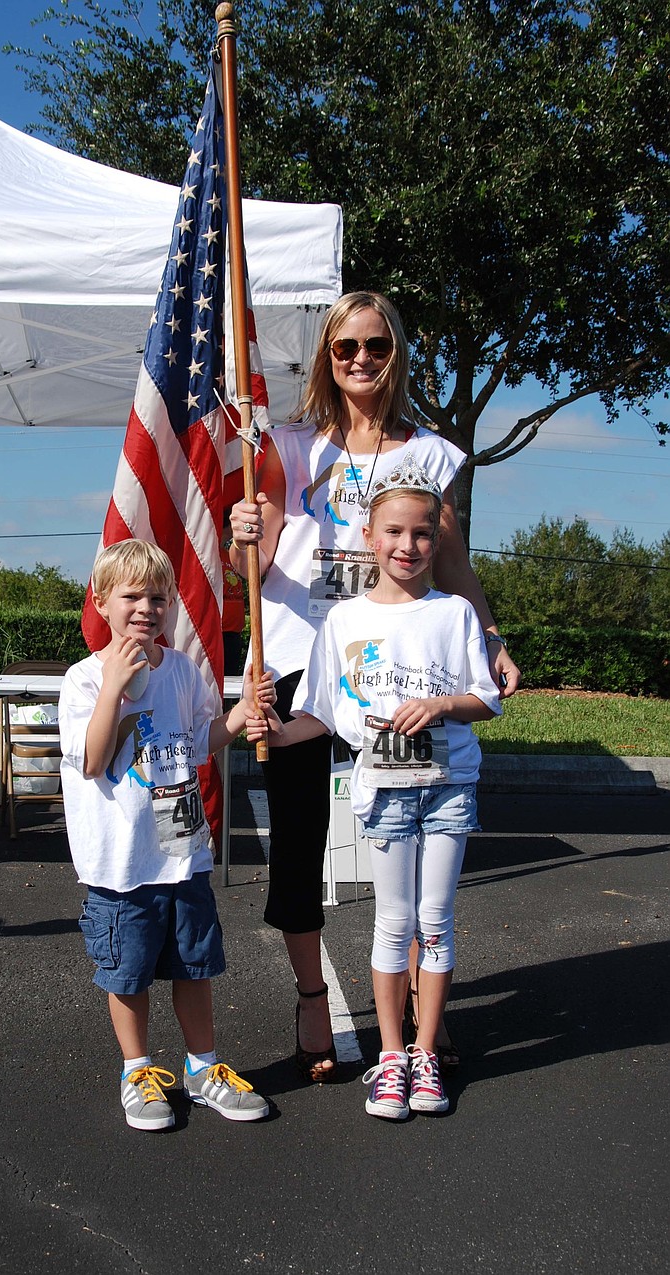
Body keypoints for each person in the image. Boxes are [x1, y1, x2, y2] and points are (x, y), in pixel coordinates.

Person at [229, 291, 518, 1081]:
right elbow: (247, 563)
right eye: (345, 346)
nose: (360, 359)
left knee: (419, 838)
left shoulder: (427, 453)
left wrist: (489, 639)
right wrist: (239, 532)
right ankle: (312, 995)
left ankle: (427, 1015)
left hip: (399, 673)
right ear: (327, 356)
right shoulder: (288, 447)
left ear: (397, 355)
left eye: (377, 346)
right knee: (297, 843)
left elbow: (453, 565)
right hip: (297, 664)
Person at [246, 457, 501, 1117]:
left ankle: (424, 1053)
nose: (407, 546)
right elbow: (322, 715)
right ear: (370, 535)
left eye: (421, 534)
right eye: (393, 532)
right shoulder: (343, 621)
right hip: (384, 790)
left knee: (435, 923)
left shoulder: (453, 614)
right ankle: (391, 1057)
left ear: (435, 540)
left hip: (448, 784)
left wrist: (443, 707)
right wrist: (264, 727)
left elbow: (487, 697)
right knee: (393, 922)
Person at [58, 540, 273, 1132]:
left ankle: (203, 1068)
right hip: (122, 864)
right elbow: (94, 761)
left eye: (159, 597)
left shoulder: (179, 669)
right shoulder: (82, 681)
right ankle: (137, 1071)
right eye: (131, 596)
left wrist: (241, 712)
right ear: (101, 602)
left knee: (193, 965)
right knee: (127, 974)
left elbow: (198, 741)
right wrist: (113, 688)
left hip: (182, 855)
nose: (146, 608)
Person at [220, 509, 246, 677]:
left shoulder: (231, 555)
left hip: (234, 632)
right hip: (218, 632)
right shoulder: (208, 555)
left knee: (230, 684)